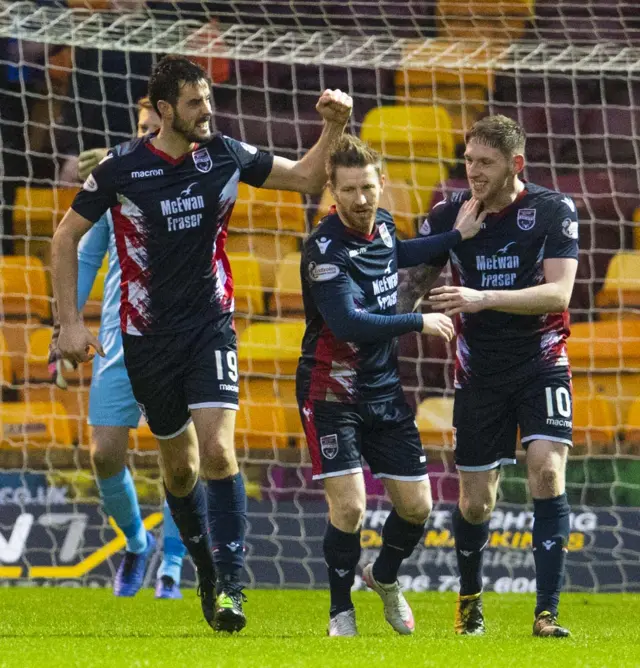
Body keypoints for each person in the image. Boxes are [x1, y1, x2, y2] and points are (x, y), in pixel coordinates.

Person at [50, 55, 353, 633]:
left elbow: (308, 179)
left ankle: (233, 584)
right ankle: (204, 570)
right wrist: (69, 322)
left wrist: (334, 126)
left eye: (208, 99)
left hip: (211, 327)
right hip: (147, 339)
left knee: (216, 451)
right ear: (165, 111)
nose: (207, 110)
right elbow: (65, 238)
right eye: (195, 103)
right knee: (182, 469)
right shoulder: (121, 168)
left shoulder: (226, 154)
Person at [397, 115, 579, 638]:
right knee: (476, 500)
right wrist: (384, 323)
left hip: (542, 360)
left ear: (515, 165)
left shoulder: (551, 210)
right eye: (468, 161)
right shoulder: (450, 214)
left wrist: (481, 298)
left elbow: (558, 294)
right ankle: (470, 602)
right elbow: (411, 284)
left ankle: (546, 613)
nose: (472, 172)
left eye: (485, 163)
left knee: (546, 470)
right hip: (479, 372)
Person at [296, 134, 484, 637]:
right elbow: (349, 323)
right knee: (351, 505)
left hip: (383, 389)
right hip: (330, 391)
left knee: (417, 507)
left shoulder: (380, 225)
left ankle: (383, 576)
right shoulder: (324, 250)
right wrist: (417, 322)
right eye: (350, 190)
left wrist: (454, 239)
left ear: (381, 185)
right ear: (333, 193)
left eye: (369, 187)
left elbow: (399, 252)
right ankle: (341, 612)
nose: (361, 199)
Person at [49, 97, 186, 599]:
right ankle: (136, 542)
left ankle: (172, 565)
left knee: (180, 460)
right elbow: (84, 258)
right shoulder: (119, 179)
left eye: (156, 128)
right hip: (119, 342)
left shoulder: (191, 180)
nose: (149, 136)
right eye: (142, 128)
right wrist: (63, 326)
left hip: (180, 344)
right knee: (104, 455)